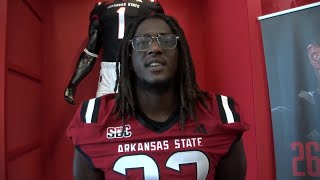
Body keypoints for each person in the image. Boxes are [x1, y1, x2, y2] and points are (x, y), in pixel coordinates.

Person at [67, 13, 249, 180]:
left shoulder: (220, 114)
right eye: (141, 42)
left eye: (166, 40)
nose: (154, 48)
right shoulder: (94, 118)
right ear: (128, 56)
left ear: (181, 53)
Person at [64, 0, 164, 104]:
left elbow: (90, 52)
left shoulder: (102, 7)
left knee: (106, 116)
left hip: (125, 71)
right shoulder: (151, 6)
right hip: (132, 69)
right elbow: (162, 45)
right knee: (105, 115)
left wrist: (73, 83)